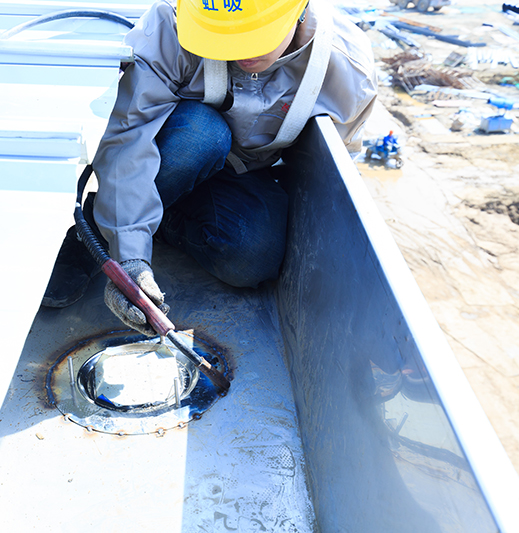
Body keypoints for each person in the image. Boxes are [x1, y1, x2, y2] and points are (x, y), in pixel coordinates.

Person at [42, 0, 377, 336]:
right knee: (201, 136)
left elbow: (333, 183)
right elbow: (128, 137)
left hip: (241, 171)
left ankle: (159, 218)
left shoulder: (346, 69)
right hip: (169, 153)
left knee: (253, 258)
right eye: (225, 38)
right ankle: (101, 233)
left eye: (255, 37)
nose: (242, 53)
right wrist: (128, 256)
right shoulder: (170, 29)